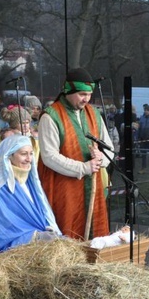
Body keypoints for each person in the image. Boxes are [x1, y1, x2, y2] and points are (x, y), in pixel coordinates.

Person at [37, 67, 112, 240]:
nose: (86, 99)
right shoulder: (51, 116)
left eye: (89, 94)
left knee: (95, 232)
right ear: (68, 91)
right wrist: (84, 167)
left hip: (93, 185)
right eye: (81, 94)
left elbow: (108, 147)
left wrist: (101, 158)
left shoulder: (94, 113)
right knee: (67, 228)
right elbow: (49, 156)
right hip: (64, 186)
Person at [0, 135, 60, 256]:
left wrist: (48, 229)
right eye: (23, 154)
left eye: (31, 154)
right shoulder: (0, 190)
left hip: (39, 251)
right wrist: (36, 236)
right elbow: (0, 232)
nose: (29, 159)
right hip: (14, 256)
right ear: (9, 156)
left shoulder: (31, 184)